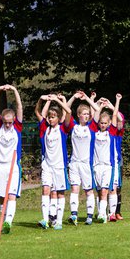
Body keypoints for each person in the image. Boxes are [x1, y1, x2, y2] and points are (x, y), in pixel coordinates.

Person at [35, 93, 72, 230]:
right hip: (47, 165)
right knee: (46, 190)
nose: (50, 119)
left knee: (60, 193)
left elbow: (68, 111)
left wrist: (58, 100)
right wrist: (43, 100)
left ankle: (58, 221)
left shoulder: (63, 128)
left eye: (53, 117)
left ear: (58, 118)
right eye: (49, 117)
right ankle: (45, 220)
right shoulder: (44, 128)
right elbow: (38, 112)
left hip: (59, 166)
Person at [0, 84, 23, 234]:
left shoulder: (17, 127)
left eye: (10, 122)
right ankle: (3, 219)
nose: (8, 124)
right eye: (6, 122)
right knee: (0, 196)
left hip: (12, 166)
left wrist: (14, 90)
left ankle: (8, 222)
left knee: (11, 195)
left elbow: (20, 108)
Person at [66, 90, 100, 225]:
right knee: (75, 188)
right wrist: (74, 96)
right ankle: (74, 215)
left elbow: (96, 109)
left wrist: (86, 98)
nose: (86, 116)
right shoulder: (73, 126)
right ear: (79, 115)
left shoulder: (91, 127)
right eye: (84, 114)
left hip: (86, 164)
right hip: (74, 163)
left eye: (88, 114)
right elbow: (66, 109)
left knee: (88, 190)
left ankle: (89, 216)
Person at [92, 93, 122, 223]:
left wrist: (116, 101)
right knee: (100, 191)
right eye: (101, 123)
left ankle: (110, 213)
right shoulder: (94, 133)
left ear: (109, 123)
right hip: (96, 165)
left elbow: (116, 116)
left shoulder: (112, 133)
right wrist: (95, 102)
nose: (103, 125)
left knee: (111, 188)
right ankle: (101, 213)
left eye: (105, 123)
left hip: (110, 165)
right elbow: (93, 117)